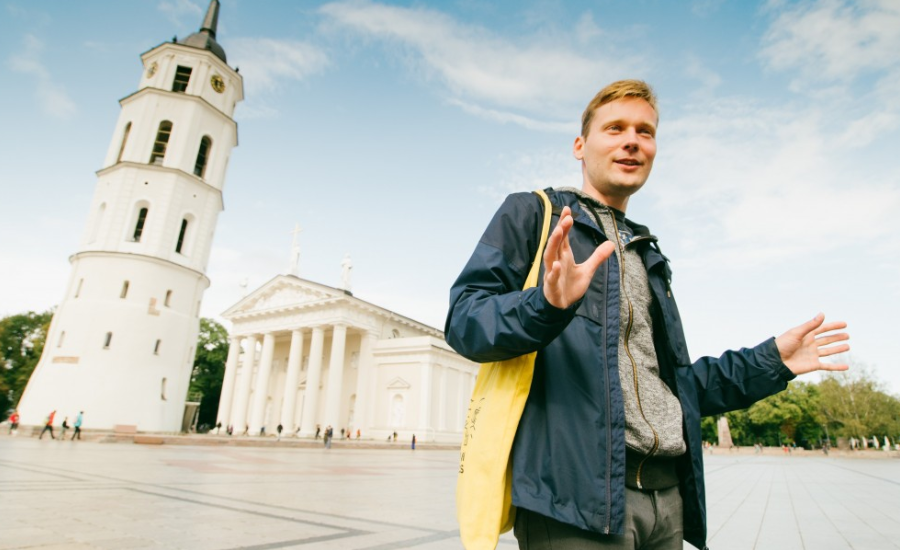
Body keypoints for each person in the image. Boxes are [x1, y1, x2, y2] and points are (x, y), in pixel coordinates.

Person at [445, 79, 850, 550]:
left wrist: (772, 361)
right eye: (614, 127)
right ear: (581, 145)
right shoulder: (533, 215)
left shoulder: (647, 253)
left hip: (666, 502)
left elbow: (676, 388)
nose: (632, 140)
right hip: (577, 504)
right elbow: (465, 321)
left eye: (645, 131)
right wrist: (546, 305)